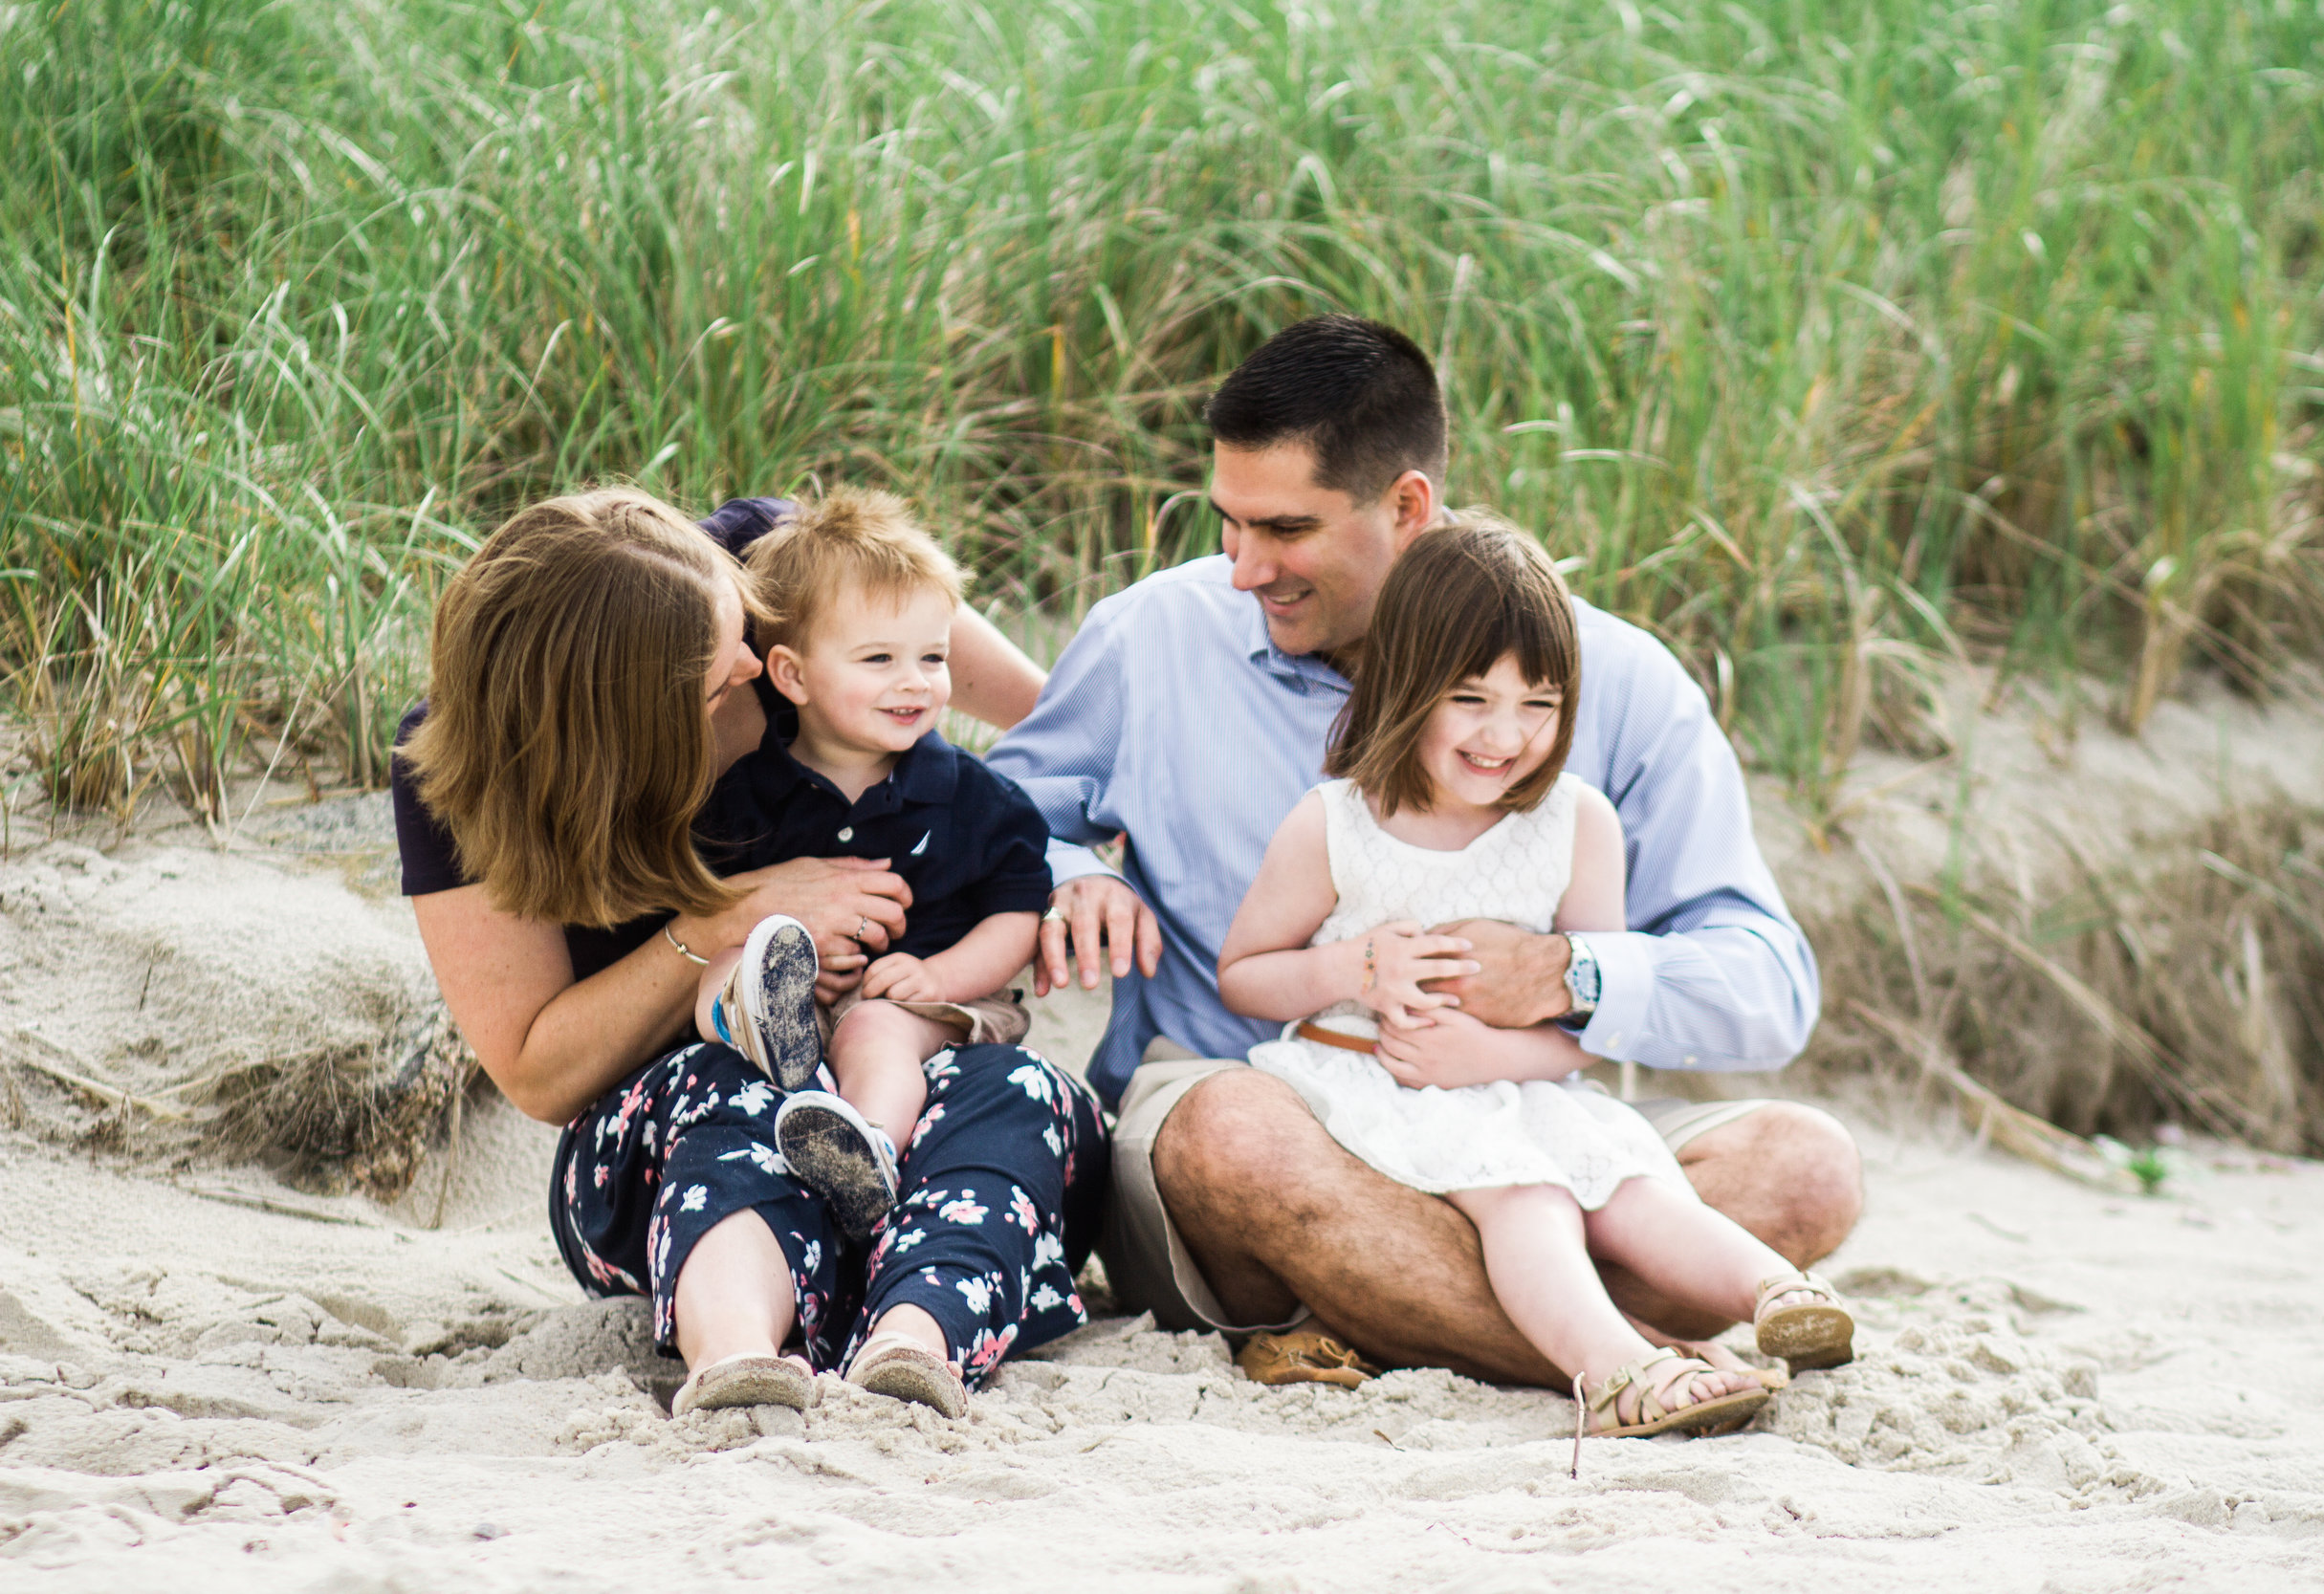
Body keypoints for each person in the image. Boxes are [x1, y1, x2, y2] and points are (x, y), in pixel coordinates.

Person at [986, 315, 1862, 1388]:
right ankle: (1620, 1358)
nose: (1241, 568)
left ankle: (1401, 1318)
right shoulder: (1150, 637)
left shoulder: (1617, 683)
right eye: (1229, 523)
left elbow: (1767, 984)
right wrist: (1069, 867)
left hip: (1516, 1119)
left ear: (1406, 506)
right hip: (1269, 1105)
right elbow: (999, 804)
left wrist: (1567, 976)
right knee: (1232, 1139)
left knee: (1805, 1168)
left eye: (1285, 529)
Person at [395, 487, 1106, 1421]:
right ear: (633, 737)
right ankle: (734, 1349)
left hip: (889, 1125)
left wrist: (1074, 856)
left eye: (750, 631)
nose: (751, 662)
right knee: (722, 1081)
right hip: (687, 1160)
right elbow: (537, 1069)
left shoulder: (763, 572)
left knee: (1013, 1091)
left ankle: (913, 1337)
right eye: (721, 684)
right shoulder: (457, 773)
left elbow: (1047, 724)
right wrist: (727, 919)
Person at [1217, 517, 1853, 1435]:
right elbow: (1246, 974)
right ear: (1405, 684)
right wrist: (1353, 964)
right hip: (1367, 1078)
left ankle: (1780, 1295)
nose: (1504, 734)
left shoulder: (1576, 823)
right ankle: (1619, 1366)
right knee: (1532, 1195)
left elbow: (1585, 1025)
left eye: (1540, 704)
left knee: (1627, 1179)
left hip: (1511, 1081)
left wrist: (1495, 1053)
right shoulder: (1337, 823)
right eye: (1471, 698)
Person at [690, 489, 1053, 1242]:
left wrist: (941, 976)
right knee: (716, 960)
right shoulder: (745, 794)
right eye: (880, 659)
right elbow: (708, 897)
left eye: (934, 656)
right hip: (801, 996)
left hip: (922, 1000)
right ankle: (767, 1023)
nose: (916, 680)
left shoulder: (973, 796)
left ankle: (867, 1150)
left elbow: (1018, 909)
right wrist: (760, 954)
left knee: (874, 1032)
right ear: (791, 676)